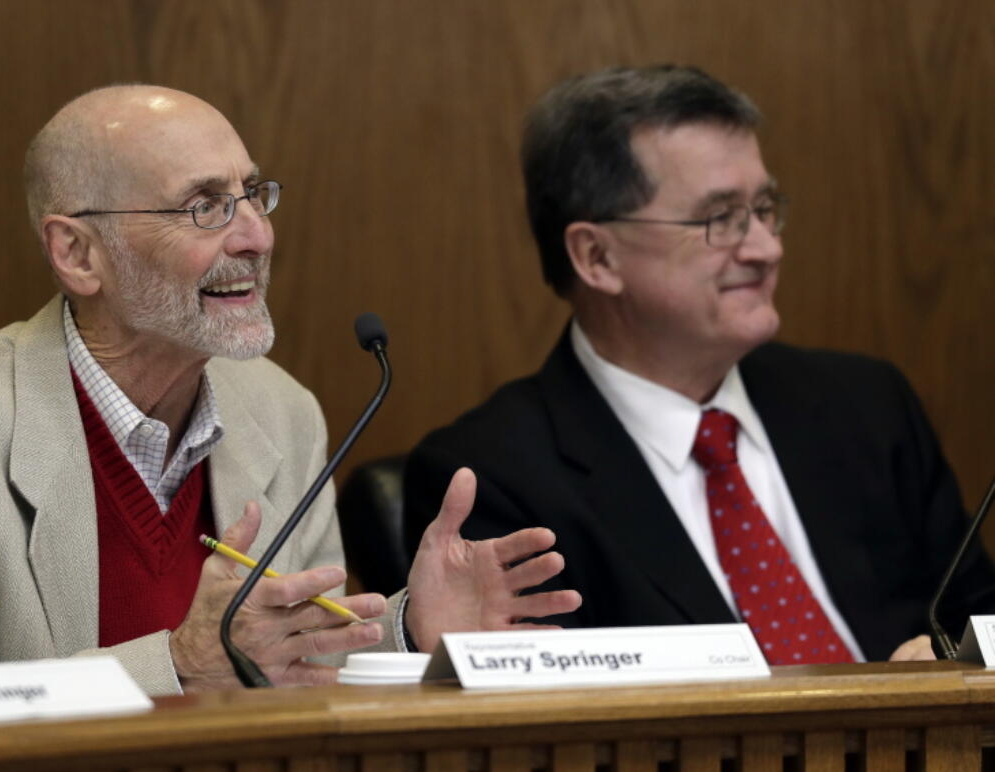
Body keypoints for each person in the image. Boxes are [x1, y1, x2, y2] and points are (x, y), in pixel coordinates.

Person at [0, 85, 581, 713]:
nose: (256, 236)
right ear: (77, 253)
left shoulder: (280, 411)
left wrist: (411, 631)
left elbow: (289, 666)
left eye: (253, 194)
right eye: (205, 205)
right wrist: (177, 664)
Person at [403, 65, 995, 665]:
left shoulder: (867, 406)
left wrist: (949, 671)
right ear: (596, 256)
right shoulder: (492, 478)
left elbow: (980, 621)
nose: (767, 248)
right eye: (721, 219)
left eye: (764, 208)